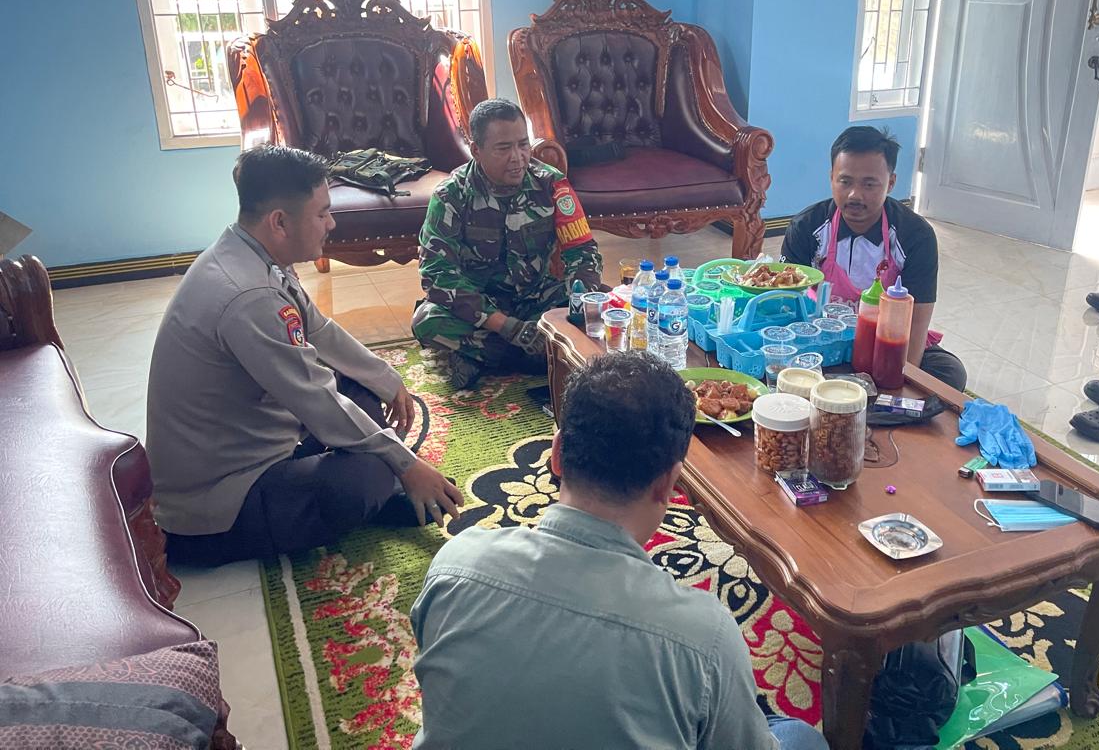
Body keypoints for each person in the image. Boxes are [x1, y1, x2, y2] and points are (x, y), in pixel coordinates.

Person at [408, 352, 828, 750]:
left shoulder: (455, 564)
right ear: (669, 484)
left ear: (557, 454)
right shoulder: (704, 636)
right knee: (798, 735)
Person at [147, 146, 462, 566]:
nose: (331, 224)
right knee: (364, 476)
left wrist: (387, 379)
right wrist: (407, 466)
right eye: (322, 213)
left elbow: (318, 330)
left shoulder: (252, 254)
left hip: (261, 440)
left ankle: (377, 483)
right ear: (279, 222)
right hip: (219, 504)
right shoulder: (250, 296)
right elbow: (316, 399)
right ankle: (377, 492)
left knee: (363, 390)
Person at [412, 97, 603, 389]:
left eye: (523, 144)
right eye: (503, 148)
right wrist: (506, 326)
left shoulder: (551, 184)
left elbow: (583, 252)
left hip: (537, 300)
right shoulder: (451, 196)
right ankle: (539, 356)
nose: (518, 157)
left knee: (601, 302)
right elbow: (438, 274)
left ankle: (486, 358)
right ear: (476, 150)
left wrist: (578, 307)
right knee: (427, 320)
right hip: (481, 308)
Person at [782, 125, 967, 391]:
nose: (855, 195)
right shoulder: (806, 227)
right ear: (831, 178)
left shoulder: (916, 235)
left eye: (869, 184)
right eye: (845, 182)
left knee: (949, 372)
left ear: (891, 183)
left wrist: (899, 382)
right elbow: (788, 305)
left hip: (888, 343)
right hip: (822, 341)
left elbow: (916, 322)